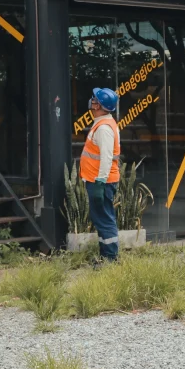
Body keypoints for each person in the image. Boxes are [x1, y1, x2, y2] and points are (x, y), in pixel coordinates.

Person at [79, 88, 121, 262]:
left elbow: (106, 158)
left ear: (99, 105)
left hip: (101, 181)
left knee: (105, 219)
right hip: (98, 180)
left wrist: (100, 182)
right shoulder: (103, 123)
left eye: (94, 99)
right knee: (102, 218)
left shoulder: (104, 128)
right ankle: (106, 255)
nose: (91, 101)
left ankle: (110, 258)